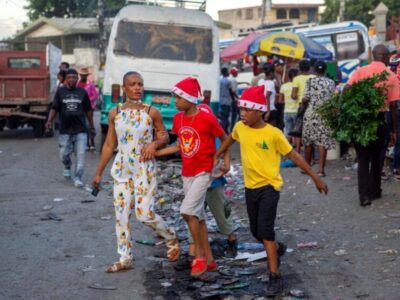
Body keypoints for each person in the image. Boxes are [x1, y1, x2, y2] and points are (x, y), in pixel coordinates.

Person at [214, 85, 328, 297]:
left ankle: (275, 276)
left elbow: (294, 156)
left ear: (261, 111)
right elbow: (230, 138)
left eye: (247, 110)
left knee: (265, 231)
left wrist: (315, 177)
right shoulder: (240, 127)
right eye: (241, 110)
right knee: (256, 232)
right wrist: (218, 154)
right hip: (250, 188)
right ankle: (276, 248)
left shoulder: (274, 134)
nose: (243, 114)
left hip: (269, 188)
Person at [92, 71, 180, 273]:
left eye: (140, 84)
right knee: (121, 215)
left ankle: (170, 235)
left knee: (144, 215)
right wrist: (98, 173)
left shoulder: (152, 112)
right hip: (122, 169)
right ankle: (125, 258)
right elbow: (109, 145)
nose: (138, 87)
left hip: (144, 170)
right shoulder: (116, 113)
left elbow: (165, 136)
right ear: (125, 88)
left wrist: (155, 144)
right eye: (133, 84)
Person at [156, 77, 230, 277]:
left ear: (190, 98)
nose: (175, 101)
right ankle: (211, 260)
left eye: (178, 97)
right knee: (199, 217)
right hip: (186, 173)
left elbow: (225, 139)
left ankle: (199, 257)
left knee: (187, 211)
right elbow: (179, 146)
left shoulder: (207, 118)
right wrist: (155, 153)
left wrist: (226, 161)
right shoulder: (179, 119)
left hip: (203, 172)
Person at [346, 44, 399, 207]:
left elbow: (346, 89)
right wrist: (395, 130)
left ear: (373, 56)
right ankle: (375, 190)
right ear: (385, 57)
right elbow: (393, 106)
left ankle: (364, 196)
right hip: (379, 120)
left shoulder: (360, 71)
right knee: (377, 158)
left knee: (363, 159)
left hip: (361, 120)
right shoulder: (390, 75)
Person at [45, 68, 95, 188]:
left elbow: (88, 110)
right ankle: (67, 165)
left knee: (81, 155)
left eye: (74, 77)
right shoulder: (61, 92)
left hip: (81, 130)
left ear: (77, 79)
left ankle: (78, 177)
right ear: (66, 79)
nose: (72, 79)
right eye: (69, 77)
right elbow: (54, 108)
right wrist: (49, 120)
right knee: (63, 154)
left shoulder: (82, 92)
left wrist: (92, 126)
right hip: (65, 130)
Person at [302, 61, 336, 177]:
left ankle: (307, 168)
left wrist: (303, 103)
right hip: (325, 114)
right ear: (325, 70)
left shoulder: (310, 81)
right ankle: (321, 170)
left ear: (315, 70)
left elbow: (305, 98)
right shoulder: (331, 82)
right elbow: (332, 98)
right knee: (322, 142)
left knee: (308, 141)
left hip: (311, 114)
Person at [291, 60, 315, 151]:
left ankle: (298, 151)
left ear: (300, 69)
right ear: (309, 68)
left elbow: (293, 96)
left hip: (302, 107)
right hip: (313, 106)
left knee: (299, 130)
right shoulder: (314, 77)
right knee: (312, 130)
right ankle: (314, 155)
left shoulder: (296, 79)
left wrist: (299, 96)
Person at [77, 67, 99, 151]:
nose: (83, 77)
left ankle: (92, 143)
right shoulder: (77, 84)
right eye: (82, 75)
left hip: (89, 108)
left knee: (90, 125)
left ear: (87, 76)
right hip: (80, 108)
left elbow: (95, 95)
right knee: (83, 125)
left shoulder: (90, 84)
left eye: (84, 75)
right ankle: (86, 143)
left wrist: (87, 99)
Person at [279, 68, 299, 143]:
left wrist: (287, 101)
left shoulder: (283, 86)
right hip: (296, 111)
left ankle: (287, 149)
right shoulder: (297, 86)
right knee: (297, 132)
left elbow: (280, 101)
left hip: (287, 112)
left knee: (288, 132)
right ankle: (297, 149)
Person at [258, 63, 280, 128]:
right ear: (271, 73)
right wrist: (268, 112)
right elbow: (267, 96)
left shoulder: (260, 81)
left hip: (262, 109)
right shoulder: (271, 83)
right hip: (270, 110)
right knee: (272, 131)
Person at [219, 67, 235, 132]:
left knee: (223, 117)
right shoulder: (228, 81)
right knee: (226, 116)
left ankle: (223, 130)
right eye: (227, 72)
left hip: (221, 101)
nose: (228, 73)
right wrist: (233, 99)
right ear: (225, 73)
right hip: (227, 102)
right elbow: (231, 91)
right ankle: (225, 131)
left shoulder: (219, 81)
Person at [230, 67, 239, 131]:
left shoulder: (232, 79)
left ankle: (233, 128)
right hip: (235, 100)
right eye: (236, 72)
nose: (237, 73)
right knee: (235, 115)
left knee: (235, 114)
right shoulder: (233, 80)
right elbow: (233, 91)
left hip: (234, 99)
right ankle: (233, 128)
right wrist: (238, 98)